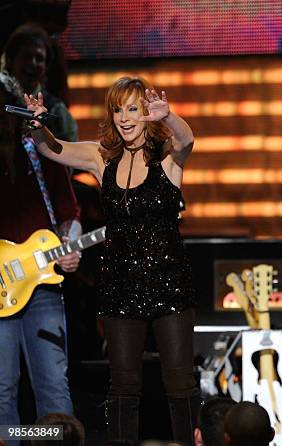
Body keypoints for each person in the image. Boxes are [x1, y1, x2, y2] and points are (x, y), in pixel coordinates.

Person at [25, 76, 200, 445]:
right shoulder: (100, 156)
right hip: (121, 287)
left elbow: (187, 140)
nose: (124, 118)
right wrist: (38, 128)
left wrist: (168, 117)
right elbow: (52, 150)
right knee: (123, 384)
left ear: (147, 114)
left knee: (180, 381)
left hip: (170, 284)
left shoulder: (167, 155)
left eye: (133, 109)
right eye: (118, 109)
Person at [0, 72, 81, 443]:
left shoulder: (39, 149)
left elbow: (69, 212)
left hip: (42, 285)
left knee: (52, 386)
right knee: (3, 391)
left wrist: (71, 245)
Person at [3, 23, 78, 141]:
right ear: (10, 60)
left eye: (39, 58)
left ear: (46, 66)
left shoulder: (57, 111)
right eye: (27, 56)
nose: (33, 63)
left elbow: (73, 155)